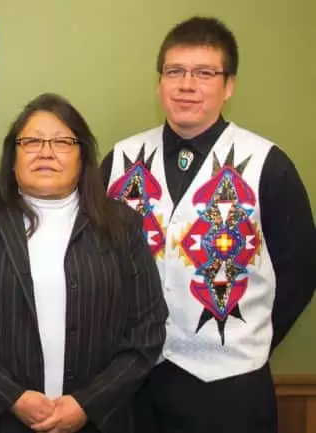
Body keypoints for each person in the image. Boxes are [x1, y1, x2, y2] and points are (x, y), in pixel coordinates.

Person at [101, 16, 316, 433]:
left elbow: (302, 269)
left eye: (204, 73)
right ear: (160, 82)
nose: (187, 85)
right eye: (174, 71)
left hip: (230, 388)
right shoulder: (121, 160)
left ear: (228, 85)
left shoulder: (267, 164)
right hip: (133, 382)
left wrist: (250, 336)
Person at [0, 93, 168, 433]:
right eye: (32, 142)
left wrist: (88, 403)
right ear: (13, 158)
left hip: (96, 421)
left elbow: (148, 327)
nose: (46, 152)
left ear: (83, 157)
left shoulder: (120, 224)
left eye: (62, 142)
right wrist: (11, 397)